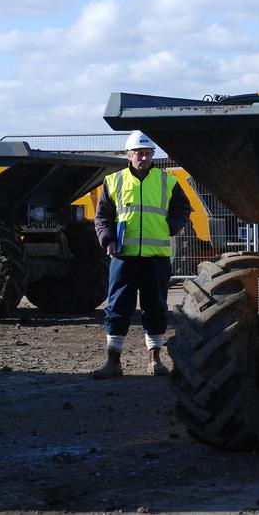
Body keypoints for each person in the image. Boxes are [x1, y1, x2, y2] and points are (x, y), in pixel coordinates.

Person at [92, 130, 192, 378]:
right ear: (129, 155)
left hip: (156, 257)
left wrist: (169, 227)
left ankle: (154, 361)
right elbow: (102, 216)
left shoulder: (167, 181)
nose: (144, 158)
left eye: (148, 153)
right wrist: (108, 239)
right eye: (139, 153)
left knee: (155, 308)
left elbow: (183, 208)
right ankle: (113, 362)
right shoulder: (113, 181)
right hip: (123, 256)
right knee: (117, 307)